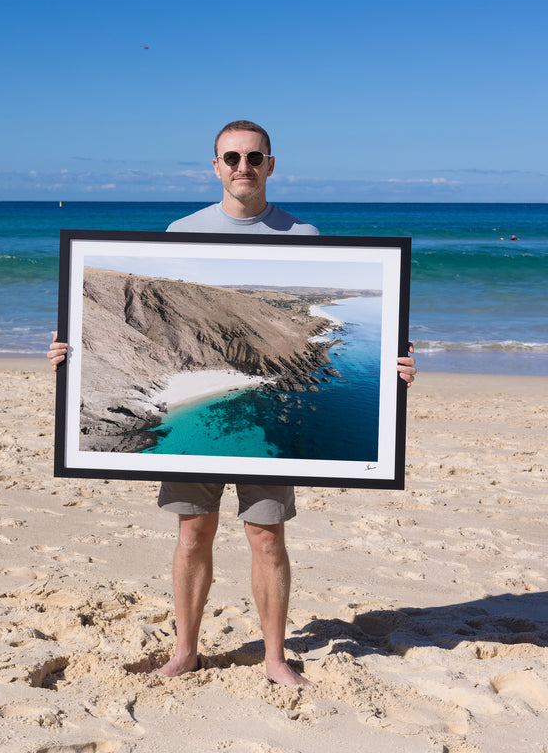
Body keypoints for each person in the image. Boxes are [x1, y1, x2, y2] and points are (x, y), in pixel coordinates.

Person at [48, 120, 417, 686]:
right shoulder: (182, 231)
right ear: (215, 166)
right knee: (192, 533)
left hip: (261, 454)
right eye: (232, 157)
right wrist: (68, 350)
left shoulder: (303, 233)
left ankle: (275, 658)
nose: (243, 167)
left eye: (254, 157)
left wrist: (397, 366)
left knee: (266, 537)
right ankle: (185, 651)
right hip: (199, 446)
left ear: (271, 164)